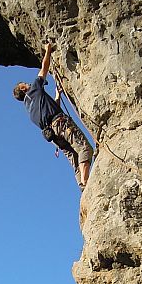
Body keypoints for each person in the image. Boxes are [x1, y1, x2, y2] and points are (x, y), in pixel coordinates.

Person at [13, 43, 93, 188]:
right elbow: (44, 68)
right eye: (26, 84)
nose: (28, 84)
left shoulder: (29, 109)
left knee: (74, 157)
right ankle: (86, 181)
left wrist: (57, 95)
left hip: (54, 135)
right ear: (23, 88)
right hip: (61, 124)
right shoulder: (34, 90)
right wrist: (48, 51)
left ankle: (82, 186)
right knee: (84, 148)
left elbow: (50, 112)